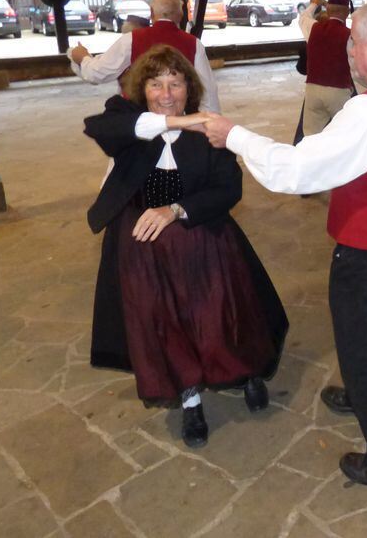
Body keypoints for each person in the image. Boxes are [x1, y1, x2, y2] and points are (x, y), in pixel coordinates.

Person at [204, 1, 367, 492]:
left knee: (364, 359)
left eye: (354, 41)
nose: (350, 51)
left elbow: (295, 169)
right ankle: (358, 396)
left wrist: (235, 136)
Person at [83, 45, 288, 448]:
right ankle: (190, 398)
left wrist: (175, 210)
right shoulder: (129, 125)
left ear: (188, 87)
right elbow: (98, 127)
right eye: (155, 83)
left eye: (175, 83)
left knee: (221, 316)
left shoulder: (211, 133)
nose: (165, 93)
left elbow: (230, 189)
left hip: (203, 238)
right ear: (141, 89)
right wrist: (174, 121)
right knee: (163, 323)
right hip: (145, 248)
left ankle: (245, 373)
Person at [69, 0, 220, 112]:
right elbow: (208, 90)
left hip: (139, 120)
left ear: (152, 12)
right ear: (180, 15)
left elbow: (97, 74)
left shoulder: (130, 40)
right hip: (180, 118)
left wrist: (82, 58)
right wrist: (211, 123)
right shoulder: (194, 44)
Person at [297, 0, 355, 136]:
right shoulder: (350, 35)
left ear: (328, 11)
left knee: (311, 135)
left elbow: (303, 18)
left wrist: (315, 3)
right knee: (343, 134)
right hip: (338, 91)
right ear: (347, 13)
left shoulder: (314, 29)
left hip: (313, 89)